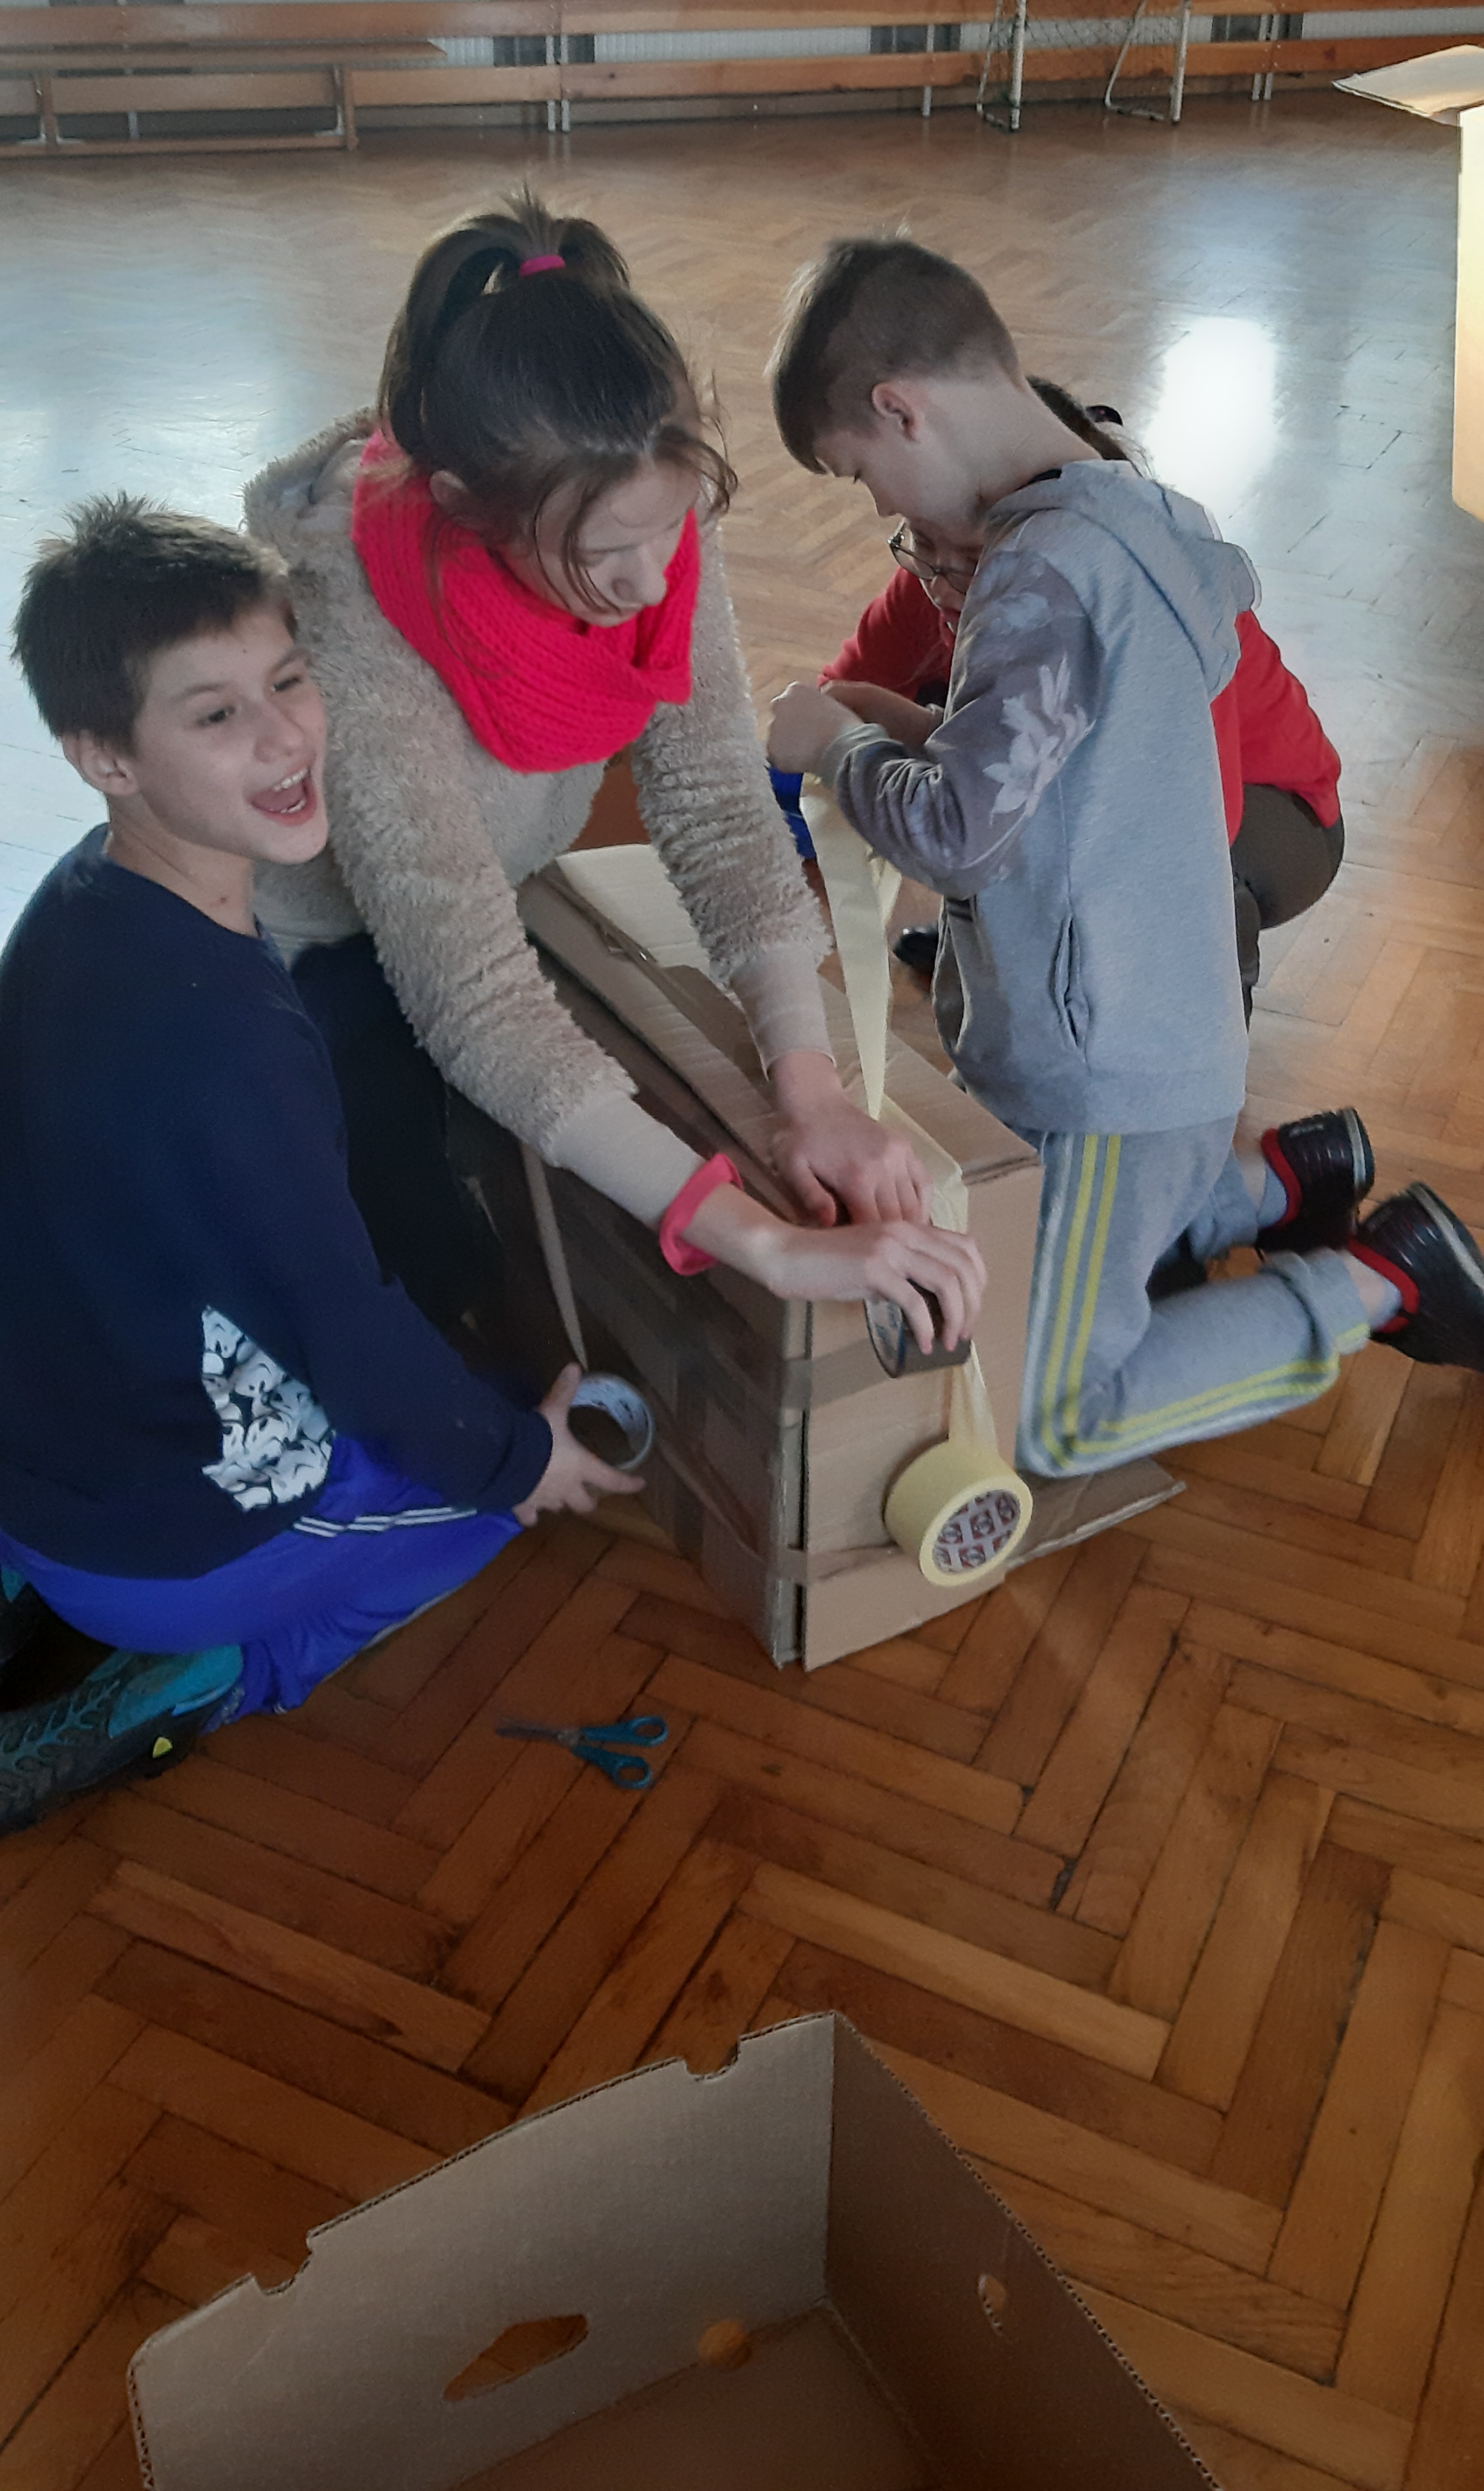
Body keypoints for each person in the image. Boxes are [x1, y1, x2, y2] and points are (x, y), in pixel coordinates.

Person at [765, 234, 1484, 1483]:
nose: (880, 509)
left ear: (902, 410)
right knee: (1046, 1238)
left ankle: (1381, 1278)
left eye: (861, 472)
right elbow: (1051, 773)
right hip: (1137, 1039)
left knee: (1052, 1417)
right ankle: (1274, 1182)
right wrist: (901, 725)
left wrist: (833, 745)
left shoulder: (1036, 575)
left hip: (1106, 1072)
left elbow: (959, 833)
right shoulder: (1126, 523)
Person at [0, 499, 656, 1820]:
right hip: (152, 1551)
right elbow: (346, 1334)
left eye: (287, 680)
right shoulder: (222, 1047)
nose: (285, 736)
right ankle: (210, 1677)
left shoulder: (78, 904)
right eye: (215, 714)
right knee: (488, 1487)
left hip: (42, 1452)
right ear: (103, 755)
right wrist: (518, 1463)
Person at [242, 192, 981, 1353]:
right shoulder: (364, 625)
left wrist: (811, 1091)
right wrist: (762, 1241)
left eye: (669, 529)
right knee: (418, 1268)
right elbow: (473, 995)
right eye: (603, 556)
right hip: (308, 944)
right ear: (464, 515)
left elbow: (715, 805)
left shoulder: (636, 493)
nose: (648, 583)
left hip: (490, 876)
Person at [818, 379, 1344, 1018]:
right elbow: (846, 693)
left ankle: (1204, 1015)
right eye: (922, 540)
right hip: (1096, 785)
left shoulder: (1154, 604)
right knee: (995, 786)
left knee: (1097, 862)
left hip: (1269, 818)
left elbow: (1196, 828)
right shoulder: (935, 574)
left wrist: (929, 771)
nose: (942, 583)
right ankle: (1004, 950)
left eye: (974, 557)